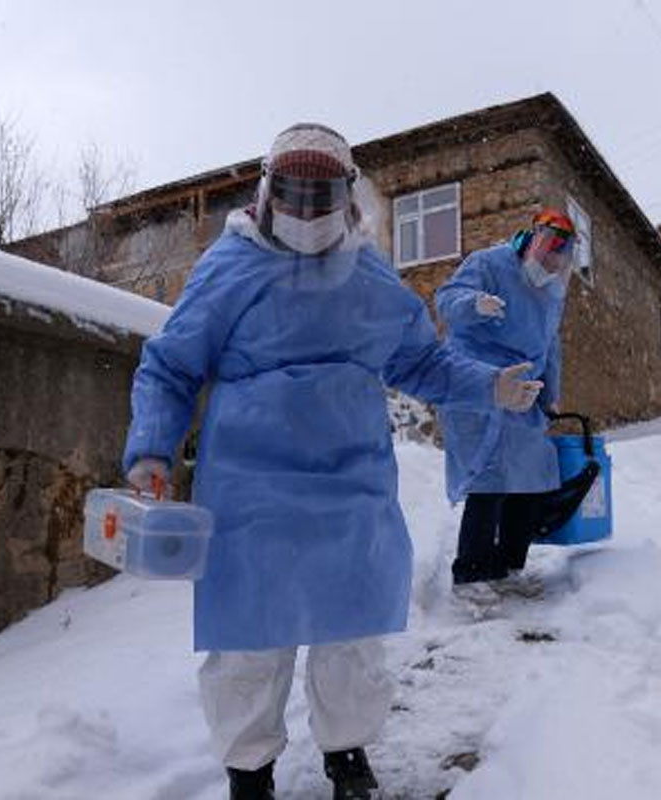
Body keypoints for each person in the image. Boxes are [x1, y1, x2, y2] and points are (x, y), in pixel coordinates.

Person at [121, 123, 542, 800]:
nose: (306, 210)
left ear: (347, 198)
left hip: (352, 482)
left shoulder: (371, 275)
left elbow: (421, 361)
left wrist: (487, 386)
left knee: (352, 632)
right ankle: (248, 771)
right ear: (267, 193)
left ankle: (347, 754)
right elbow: (170, 367)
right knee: (250, 640)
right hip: (251, 487)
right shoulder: (230, 266)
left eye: (321, 195)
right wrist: (149, 449)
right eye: (292, 192)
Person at [435, 208, 576, 595]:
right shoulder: (488, 263)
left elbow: (550, 345)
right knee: (489, 481)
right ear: (533, 240)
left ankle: (510, 565)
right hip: (479, 384)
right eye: (547, 253)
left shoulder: (550, 289)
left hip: (523, 393)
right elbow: (446, 300)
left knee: (531, 479)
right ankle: (472, 573)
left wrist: (551, 395)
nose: (550, 264)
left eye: (558, 259)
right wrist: (474, 303)